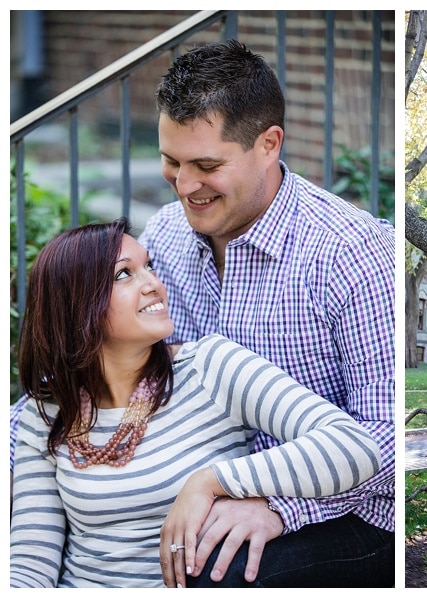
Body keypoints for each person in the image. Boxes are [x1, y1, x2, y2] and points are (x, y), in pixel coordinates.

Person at [9, 39, 395, 587]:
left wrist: (271, 503)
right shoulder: (167, 233)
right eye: (171, 162)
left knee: (224, 564)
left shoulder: (352, 253)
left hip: (346, 508)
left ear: (268, 144)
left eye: (207, 165)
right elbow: (94, 342)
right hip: (208, 496)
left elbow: (381, 439)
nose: (185, 186)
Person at [10, 221, 381, 588]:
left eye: (149, 267)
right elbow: (31, 560)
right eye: (125, 274)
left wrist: (210, 481)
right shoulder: (48, 414)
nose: (154, 284)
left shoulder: (210, 367)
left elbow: (354, 447)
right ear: (75, 305)